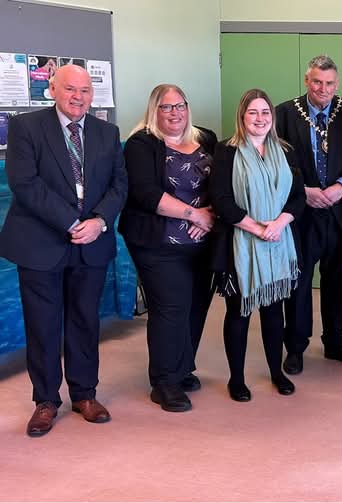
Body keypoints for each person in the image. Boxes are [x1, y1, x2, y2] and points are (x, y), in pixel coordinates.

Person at [0, 64, 127, 436]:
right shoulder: (26, 128)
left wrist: (99, 221)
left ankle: (85, 394)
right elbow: (24, 183)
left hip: (92, 242)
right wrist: (71, 223)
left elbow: (119, 184)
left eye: (86, 91)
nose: (78, 97)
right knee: (43, 325)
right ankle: (45, 400)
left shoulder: (107, 132)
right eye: (70, 89)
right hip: (41, 243)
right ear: (52, 89)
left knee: (85, 320)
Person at [119, 84, 218, 412]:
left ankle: (181, 367)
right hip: (157, 241)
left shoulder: (207, 139)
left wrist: (211, 215)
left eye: (180, 106)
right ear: (154, 110)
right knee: (170, 307)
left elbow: (224, 183)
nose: (174, 113)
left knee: (196, 305)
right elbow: (145, 193)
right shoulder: (141, 144)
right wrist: (194, 214)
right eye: (166, 107)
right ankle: (163, 382)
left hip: (203, 240)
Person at [276, 55, 342, 374]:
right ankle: (296, 347)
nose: (323, 88)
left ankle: (335, 342)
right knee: (299, 281)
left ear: (337, 83)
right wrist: (304, 191)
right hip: (302, 212)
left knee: (337, 280)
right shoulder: (284, 113)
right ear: (307, 81)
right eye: (317, 81)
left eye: (329, 83)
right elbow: (277, 162)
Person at [210, 89, 304, 402]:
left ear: (272, 118)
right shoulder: (227, 151)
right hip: (240, 244)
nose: (260, 118)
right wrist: (256, 227)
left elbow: (298, 197)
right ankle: (236, 379)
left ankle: (276, 372)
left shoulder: (285, 151)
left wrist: (278, 224)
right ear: (242, 116)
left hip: (278, 242)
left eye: (265, 112)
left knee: (274, 311)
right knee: (238, 312)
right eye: (253, 112)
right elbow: (221, 199)